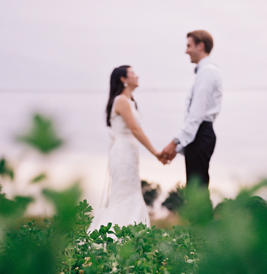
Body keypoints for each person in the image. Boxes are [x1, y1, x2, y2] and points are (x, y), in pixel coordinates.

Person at [89, 65, 164, 232]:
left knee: (131, 192)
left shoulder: (130, 102)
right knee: (123, 194)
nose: (137, 76)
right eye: (132, 73)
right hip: (122, 151)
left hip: (130, 151)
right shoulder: (121, 101)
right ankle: (114, 234)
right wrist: (156, 152)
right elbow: (135, 129)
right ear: (123, 79)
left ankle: (130, 234)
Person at [159, 30, 223, 188]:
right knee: (196, 190)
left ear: (200, 46)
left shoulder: (207, 72)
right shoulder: (206, 71)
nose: (186, 51)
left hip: (201, 133)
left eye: (189, 46)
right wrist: (180, 145)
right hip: (199, 134)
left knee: (196, 192)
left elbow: (197, 113)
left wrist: (175, 142)